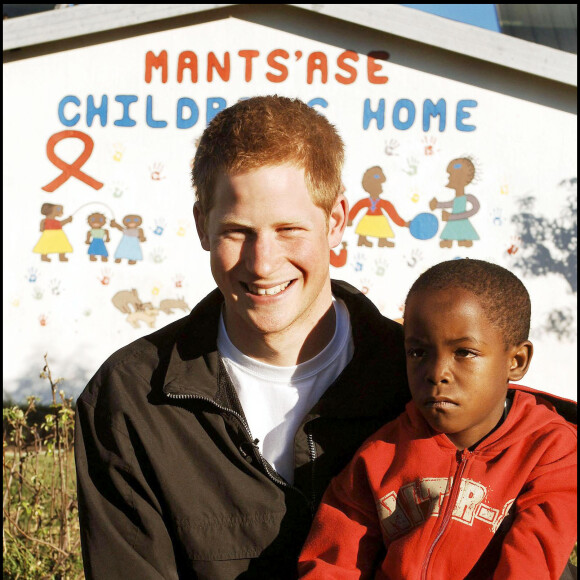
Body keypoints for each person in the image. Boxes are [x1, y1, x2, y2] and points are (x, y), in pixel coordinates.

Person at [74, 95, 410, 579]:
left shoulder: (418, 382)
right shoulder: (130, 400)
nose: (262, 263)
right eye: (237, 231)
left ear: (336, 220)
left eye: (289, 228)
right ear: (201, 226)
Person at [298, 258, 577, 580]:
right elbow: (331, 563)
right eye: (418, 352)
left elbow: (532, 565)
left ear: (516, 360)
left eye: (464, 353)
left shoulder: (552, 450)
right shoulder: (381, 453)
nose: (436, 373)